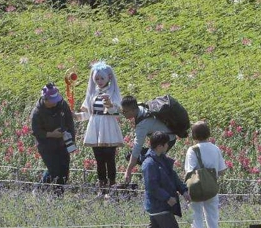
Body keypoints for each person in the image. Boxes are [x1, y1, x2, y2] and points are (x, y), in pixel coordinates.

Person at [77, 62, 124, 198]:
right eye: (96, 79)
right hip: (95, 127)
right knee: (99, 159)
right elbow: (88, 114)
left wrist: (109, 105)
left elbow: (117, 113)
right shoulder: (92, 94)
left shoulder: (113, 93)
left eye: (101, 78)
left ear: (109, 77)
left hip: (108, 127)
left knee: (110, 158)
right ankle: (102, 188)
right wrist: (75, 116)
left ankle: (112, 187)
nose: (99, 81)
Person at [140, 131, 188, 228]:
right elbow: (152, 187)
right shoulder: (149, 164)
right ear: (160, 146)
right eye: (166, 144)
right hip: (159, 205)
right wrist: (167, 198)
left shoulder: (162, 160)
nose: (168, 146)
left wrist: (184, 190)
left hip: (161, 206)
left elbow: (173, 177)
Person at [184, 121, 228, 228]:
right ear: (208, 133)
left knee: (196, 217)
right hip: (211, 187)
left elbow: (189, 171)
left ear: (194, 135)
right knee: (212, 216)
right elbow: (222, 170)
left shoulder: (192, 150)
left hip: (196, 188)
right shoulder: (215, 148)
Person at [30, 83, 76, 195]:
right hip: (46, 145)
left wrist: (72, 142)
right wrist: (51, 134)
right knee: (54, 171)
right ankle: (40, 190)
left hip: (63, 143)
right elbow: (36, 131)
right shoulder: (37, 112)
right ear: (45, 99)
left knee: (64, 171)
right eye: (52, 100)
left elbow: (70, 122)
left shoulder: (62, 104)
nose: (55, 102)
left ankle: (58, 195)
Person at [120, 96, 176, 188]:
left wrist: (128, 170)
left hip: (166, 141)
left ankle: (161, 185)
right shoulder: (140, 108)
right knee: (147, 160)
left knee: (151, 162)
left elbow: (137, 147)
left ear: (133, 110)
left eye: (125, 111)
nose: (123, 113)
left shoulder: (143, 124)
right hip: (166, 138)